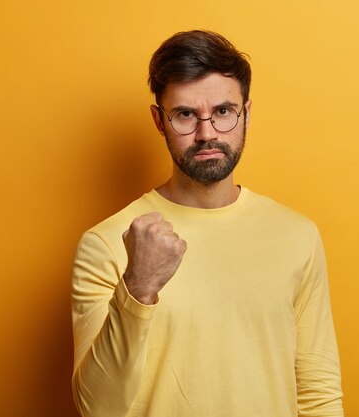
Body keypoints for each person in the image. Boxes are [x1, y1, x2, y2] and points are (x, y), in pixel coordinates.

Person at [71, 30, 344, 417]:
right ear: (159, 120)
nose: (207, 133)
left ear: (246, 112)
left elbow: (318, 393)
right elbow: (97, 409)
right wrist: (138, 287)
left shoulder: (297, 235)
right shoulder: (106, 243)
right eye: (185, 114)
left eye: (223, 111)